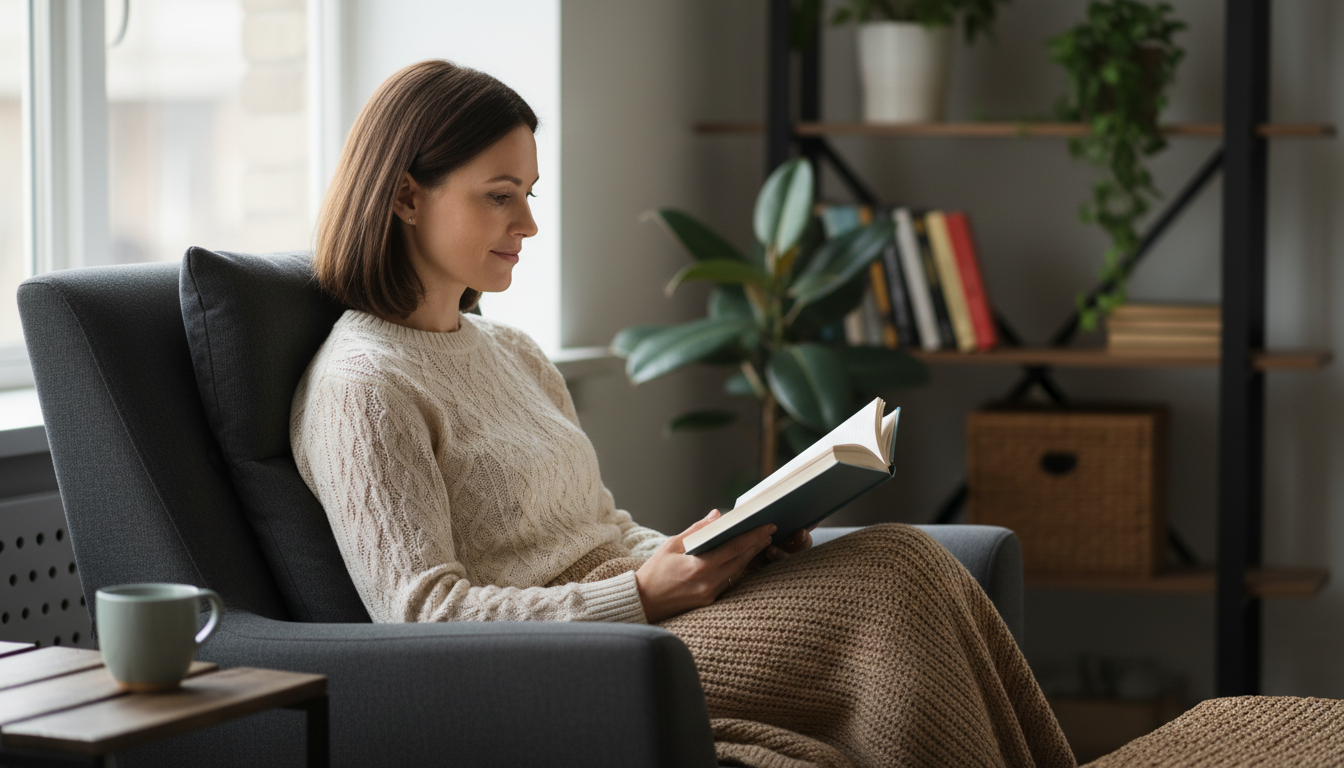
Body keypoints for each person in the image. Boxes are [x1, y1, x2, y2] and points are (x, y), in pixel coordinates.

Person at [292, 59, 1075, 768]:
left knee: (905, 555)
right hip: (590, 658)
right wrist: (642, 594)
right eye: (500, 196)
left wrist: (717, 550)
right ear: (405, 196)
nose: (527, 224)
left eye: (529, 195)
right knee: (890, 594)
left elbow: (599, 530)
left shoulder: (514, 352)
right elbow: (424, 616)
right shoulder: (363, 386)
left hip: (649, 617)